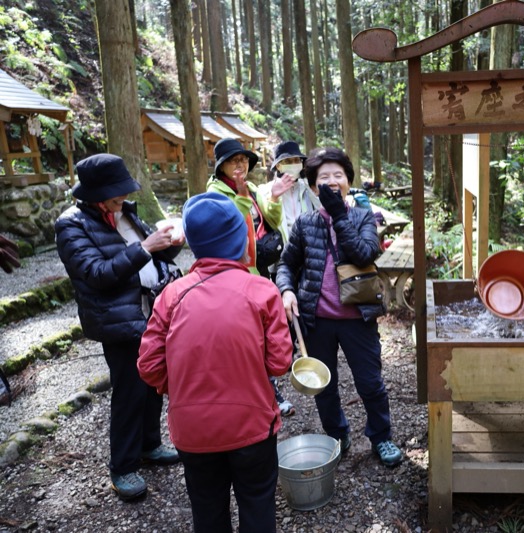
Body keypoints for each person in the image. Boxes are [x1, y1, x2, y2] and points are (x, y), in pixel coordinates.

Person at [138, 192, 293, 533]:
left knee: (207, 510)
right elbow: (280, 362)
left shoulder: (171, 295)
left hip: (192, 431)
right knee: (257, 503)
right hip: (252, 425)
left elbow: (148, 365)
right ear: (241, 240)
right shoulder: (261, 290)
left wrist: (181, 386)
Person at [54, 154, 183, 501]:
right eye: (115, 194)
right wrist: (144, 248)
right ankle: (123, 467)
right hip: (118, 321)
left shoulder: (124, 211)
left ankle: (150, 446)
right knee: (128, 392)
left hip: (150, 313)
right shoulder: (72, 225)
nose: (121, 199)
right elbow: (97, 275)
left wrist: (171, 245)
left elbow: (152, 256)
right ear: (95, 195)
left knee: (154, 384)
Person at [275, 147, 403, 468]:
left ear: (348, 181)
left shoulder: (364, 217)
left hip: (357, 317)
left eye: (338, 176)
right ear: (314, 187)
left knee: (370, 382)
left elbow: (363, 253)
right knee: (324, 385)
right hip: (316, 320)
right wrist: (286, 290)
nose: (332, 182)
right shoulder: (305, 224)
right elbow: (286, 264)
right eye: (324, 178)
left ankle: (381, 436)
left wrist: (341, 215)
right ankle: (337, 433)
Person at [208, 137, 296, 417]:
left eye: (244, 160)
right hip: (234, 274)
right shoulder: (215, 193)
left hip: (259, 270)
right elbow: (229, 225)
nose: (240, 165)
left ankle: (266, 389)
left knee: (262, 332)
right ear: (222, 167)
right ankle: (262, 393)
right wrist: (244, 197)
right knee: (247, 336)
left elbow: (270, 219)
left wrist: (274, 197)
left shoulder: (254, 188)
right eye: (234, 161)